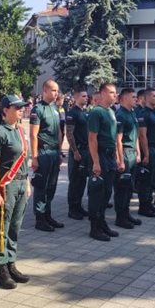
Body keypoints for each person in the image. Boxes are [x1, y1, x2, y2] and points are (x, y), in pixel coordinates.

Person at [0, 95, 31, 289]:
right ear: (5, 110)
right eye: (17, 107)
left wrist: (27, 182)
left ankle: (11, 262)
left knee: (15, 226)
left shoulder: (21, 131)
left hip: (21, 184)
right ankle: (1, 267)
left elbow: (23, 160)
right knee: (2, 228)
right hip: (7, 186)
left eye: (23, 107)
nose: (22, 110)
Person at [29, 79, 64, 232]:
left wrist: (60, 151)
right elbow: (33, 134)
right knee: (41, 187)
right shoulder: (38, 109)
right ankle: (40, 218)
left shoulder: (55, 108)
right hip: (43, 152)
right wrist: (35, 157)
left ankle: (48, 215)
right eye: (53, 90)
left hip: (55, 152)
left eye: (57, 90)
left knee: (51, 186)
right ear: (45, 91)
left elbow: (59, 132)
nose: (56, 93)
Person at [87, 82, 119, 241]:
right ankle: (94, 227)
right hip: (101, 155)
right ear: (103, 94)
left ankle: (102, 222)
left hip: (110, 156)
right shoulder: (97, 112)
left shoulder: (111, 111)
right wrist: (96, 162)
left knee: (107, 192)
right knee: (97, 193)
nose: (115, 95)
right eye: (112, 93)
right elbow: (92, 139)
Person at [114, 88, 141, 229]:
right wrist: (120, 159)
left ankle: (126, 213)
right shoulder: (120, 115)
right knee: (122, 187)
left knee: (130, 186)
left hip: (132, 153)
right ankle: (120, 217)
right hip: (124, 152)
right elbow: (117, 140)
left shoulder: (132, 113)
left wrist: (138, 153)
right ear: (124, 98)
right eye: (133, 97)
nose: (136, 99)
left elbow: (136, 134)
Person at [136, 88, 155, 217]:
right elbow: (142, 135)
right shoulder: (144, 114)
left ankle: (149, 203)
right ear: (146, 98)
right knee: (146, 180)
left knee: (153, 179)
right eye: (154, 96)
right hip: (150, 148)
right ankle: (143, 206)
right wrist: (146, 154)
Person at [65, 88, 90, 220]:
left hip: (86, 150)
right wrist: (75, 151)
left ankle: (79, 205)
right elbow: (69, 133)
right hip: (78, 150)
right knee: (75, 180)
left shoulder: (85, 112)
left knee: (81, 180)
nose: (86, 98)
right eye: (84, 96)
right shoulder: (72, 113)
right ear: (76, 97)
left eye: (87, 96)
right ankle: (72, 208)